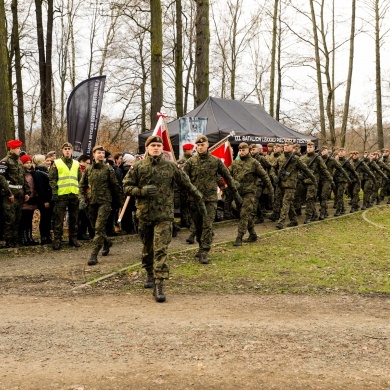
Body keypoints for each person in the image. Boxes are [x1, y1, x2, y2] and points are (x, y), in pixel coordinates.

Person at [123, 135, 206, 303]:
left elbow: (186, 183)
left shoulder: (170, 166)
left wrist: (199, 198)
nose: (155, 148)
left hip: (164, 217)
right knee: (148, 249)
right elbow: (126, 187)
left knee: (161, 249)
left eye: (158, 146)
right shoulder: (138, 167)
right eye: (152, 145)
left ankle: (159, 285)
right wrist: (142, 191)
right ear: (147, 148)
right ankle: (149, 274)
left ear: (162, 149)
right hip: (145, 215)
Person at [183, 135, 242, 265]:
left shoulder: (215, 161)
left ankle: (204, 251)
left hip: (210, 200)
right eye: (198, 145)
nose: (200, 147)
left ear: (207, 145)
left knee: (207, 225)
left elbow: (227, 177)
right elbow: (183, 180)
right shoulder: (191, 162)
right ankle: (200, 246)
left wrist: (235, 194)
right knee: (197, 226)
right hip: (195, 200)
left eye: (202, 145)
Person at [79, 145, 123, 266]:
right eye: (98, 153)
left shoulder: (108, 169)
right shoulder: (88, 169)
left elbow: (115, 186)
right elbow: (82, 186)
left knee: (98, 228)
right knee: (95, 227)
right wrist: (82, 198)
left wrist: (119, 201)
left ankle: (94, 254)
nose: (101, 155)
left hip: (105, 202)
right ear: (94, 155)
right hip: (92, 203)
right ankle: (107, 242)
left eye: (102, 153)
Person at [229, 143, 273, 246]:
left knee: (244, 214)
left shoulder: (254, 163)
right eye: (240, 150)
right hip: (238, 194)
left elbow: (264, 176)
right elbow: (227, 173)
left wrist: (270, 189)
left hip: (250, 193)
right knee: (244, 214)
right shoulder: (235, 163)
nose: (241, 152)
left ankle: (239, 237)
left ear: (248, 150)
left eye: (243, 150)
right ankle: (253, 234)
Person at [270, 141, 316, 230]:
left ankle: (281, 222)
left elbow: (306, 169)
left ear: (292, 147)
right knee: (289, 203)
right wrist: (274, 176)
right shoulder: (280, 158)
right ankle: (294, 220)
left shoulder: (295, 159)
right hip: (280, 184)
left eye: (288, 145)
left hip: (290, 185)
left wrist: (313, 179)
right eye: (285, 145)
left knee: (285, 203)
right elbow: (272, 167)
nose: (286, 147)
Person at [49, 142, 82, 250]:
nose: (67, 151)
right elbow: (52, 179)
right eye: (65, 149)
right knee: (59, 219)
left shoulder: (76, 163)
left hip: (74, 194)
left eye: (69, 149)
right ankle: (57, 240)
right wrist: (54, 193)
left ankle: (73, 239)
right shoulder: (56, 163)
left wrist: (80, 193)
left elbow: (80, 180)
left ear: (72, 150)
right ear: (62, 151)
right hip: (61, 194)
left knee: (74, 218)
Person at [0, 140, 31, 248]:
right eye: (17, 148)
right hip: (10, 194)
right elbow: (1, 178)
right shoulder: (5, 161)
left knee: (17, 219)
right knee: (10, 219)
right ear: (11, 149)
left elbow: (23, 178)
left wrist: (27, 191)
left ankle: (15, 240)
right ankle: (8, 241)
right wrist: (9, 193)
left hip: (20, 194)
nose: (19, 150)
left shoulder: (19, 162)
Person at [299, 142, 333, 224]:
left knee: (310, 198)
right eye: (308, 146)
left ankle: (308, 216)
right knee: (305, 199)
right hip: (303, 181)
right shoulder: (302, 157)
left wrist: (330, 180)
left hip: (313, 181)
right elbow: (298, 169)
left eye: (311, 147)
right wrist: (300, 176)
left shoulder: (318, 158)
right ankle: (314, 214)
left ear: (314, 148)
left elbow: (324, 170)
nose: (309, 148)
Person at [32, 154, 53, 244]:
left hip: (49, 197)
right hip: (44, 199)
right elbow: (40, 188)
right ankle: (44, 236)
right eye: (44, 160)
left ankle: (47, 235)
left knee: (48, 218)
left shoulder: (45, 171)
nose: (46, 161)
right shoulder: (38, 173)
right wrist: (45, 200)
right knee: (44, 218)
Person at [19, 154, 39, 246]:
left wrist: (34, 197)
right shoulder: (21, 174)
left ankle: (29, 237)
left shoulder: (32, 173)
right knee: (24, 221)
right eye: (26, 163)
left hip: (31, 200)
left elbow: (34, 187)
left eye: (30, 162)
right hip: (24, 201)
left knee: (29, 220)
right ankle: (23, 238)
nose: (29, 164)